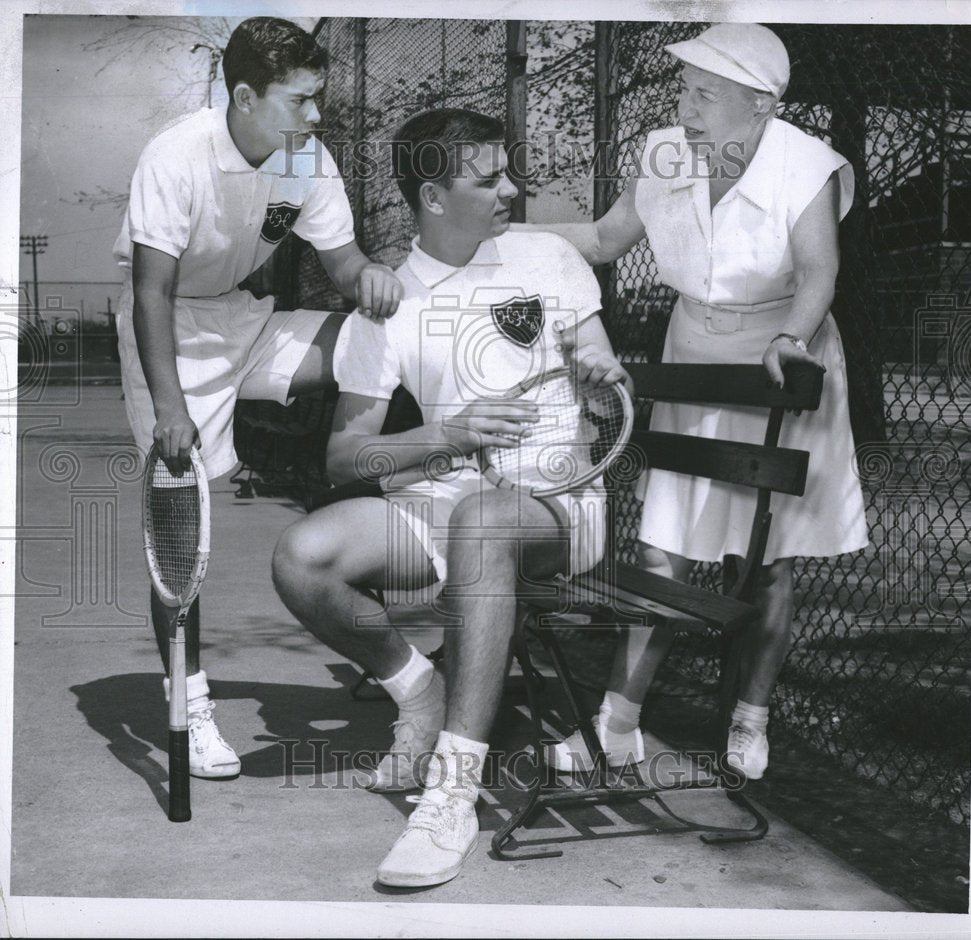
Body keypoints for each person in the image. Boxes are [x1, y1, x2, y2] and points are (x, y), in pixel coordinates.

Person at [271, 107, 629, 888]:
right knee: (304, 557)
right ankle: (417, 690)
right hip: (447, 503)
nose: (512, 188)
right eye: (488, 178)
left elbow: (602, 368)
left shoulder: (545, 258)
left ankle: (453, 790)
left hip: (557, 505)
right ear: (433, 198)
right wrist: (451, 435)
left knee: (482, 518)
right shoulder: (390, 299)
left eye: (506, 171)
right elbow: (345, 455)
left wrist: (602, 376)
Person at [523, 23, 868, 780]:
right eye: (685, 87)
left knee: (769, 558)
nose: (686, 105)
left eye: (705, 93)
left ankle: (751, 718)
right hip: (693, 350)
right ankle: (618, 724)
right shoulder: (664, 152)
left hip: (784, 358)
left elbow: (818, 272)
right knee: (662, 546)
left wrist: (792, 337)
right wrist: (503, 236)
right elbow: (608, 239)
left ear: (763, 105)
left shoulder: (805, 165)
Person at [114, 17, 403, 780]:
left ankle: (390, 607)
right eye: (300, 100)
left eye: (318, 99)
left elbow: (343, 263)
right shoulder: (175, 154)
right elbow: (151, 292)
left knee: (381, 347)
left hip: (246, 319)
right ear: (244, 97)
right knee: (179, 517)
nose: (315, 116)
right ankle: (193, 704)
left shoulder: (306, 158)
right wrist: (171, 405)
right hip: (168, 332)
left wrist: (369, 278)